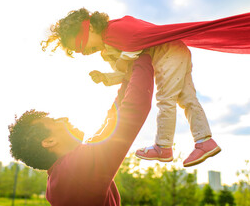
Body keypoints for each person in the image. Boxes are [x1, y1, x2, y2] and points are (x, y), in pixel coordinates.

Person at [41, 8, 250, 167]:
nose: (85, 52)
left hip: (168, 53)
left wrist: (121, 60)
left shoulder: (115, 30)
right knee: (187, 99)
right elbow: (130, 72)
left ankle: (163, 147)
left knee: (166, 99)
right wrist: (106, 77)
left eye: (82, 45)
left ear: (92, 28)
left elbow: (135, 44)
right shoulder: (109, 46)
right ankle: (205, 142)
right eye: (79, 51)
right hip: (175, 52)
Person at [9, 54, 154, 206]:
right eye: (54, 121)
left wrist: (127, 79)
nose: (64, 118)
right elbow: (133, 112)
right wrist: (143, 57)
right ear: (49, 141)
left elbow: (111, 124)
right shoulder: (77, 170)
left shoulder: (62, 177)